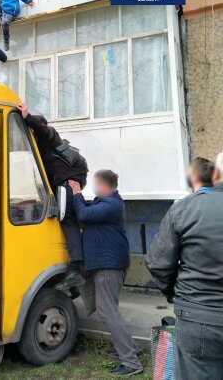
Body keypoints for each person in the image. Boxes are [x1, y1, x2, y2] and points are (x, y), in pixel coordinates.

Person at [146, 152, 223, 380]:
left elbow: (158, 264)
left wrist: (176, 295)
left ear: (216, 174)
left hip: (198, 317)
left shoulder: (185, 209)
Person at [69, 170, 143, 377]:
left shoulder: (111, 204)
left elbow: (83, 214)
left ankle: (131, 361)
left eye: (95, 184)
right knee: (110, 311)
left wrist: (76, 192)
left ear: (103, 185)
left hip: (109, 266)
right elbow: (84, 212)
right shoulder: (104, 203)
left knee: (108, 312)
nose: (93, 188)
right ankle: (128, 348)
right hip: (106, 264)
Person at [17, 103, 88, 290]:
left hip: (71, 181)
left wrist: (27, 116)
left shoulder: (48, 136)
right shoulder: (43, 150)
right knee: (60, 217)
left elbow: (43, 130)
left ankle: (75, 270)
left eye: (31, 130)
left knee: (68, 219)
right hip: (67, 181)